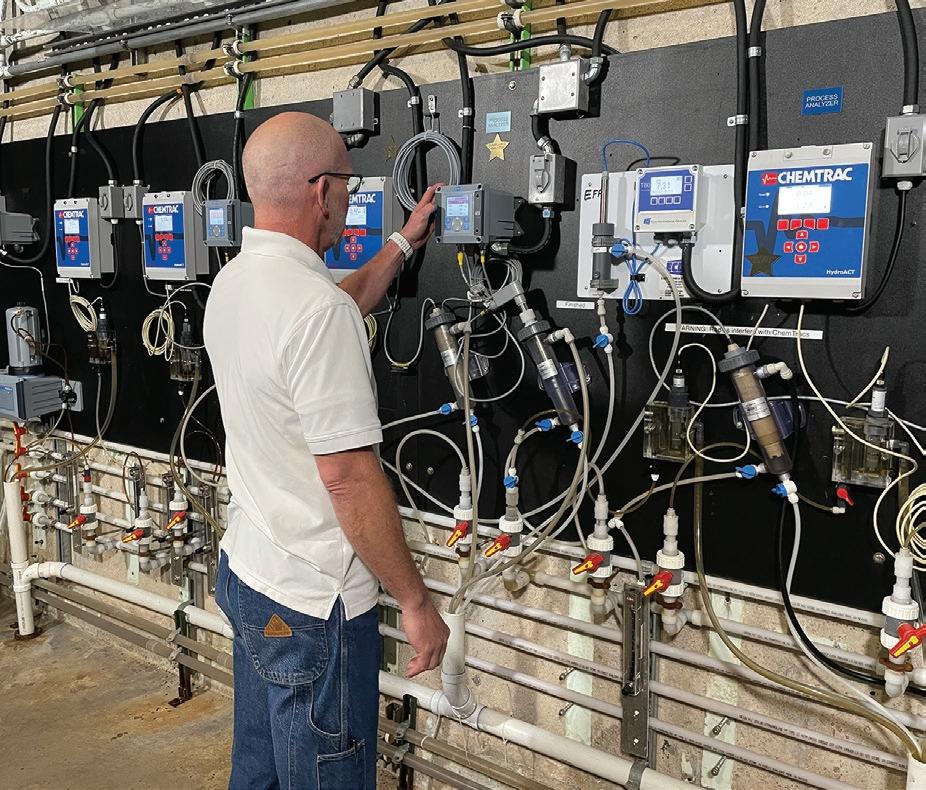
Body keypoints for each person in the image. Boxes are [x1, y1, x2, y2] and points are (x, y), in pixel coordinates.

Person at [203, 111, 449, 790]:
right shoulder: (317, 313)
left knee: (259, 774)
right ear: (322, 191)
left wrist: (400, 243)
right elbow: (348, 480)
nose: (347, 194)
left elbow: (333, 308)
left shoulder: (235, 283)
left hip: (251, 575)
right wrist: (415, 603)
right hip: (316, 606)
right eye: (347, 181)